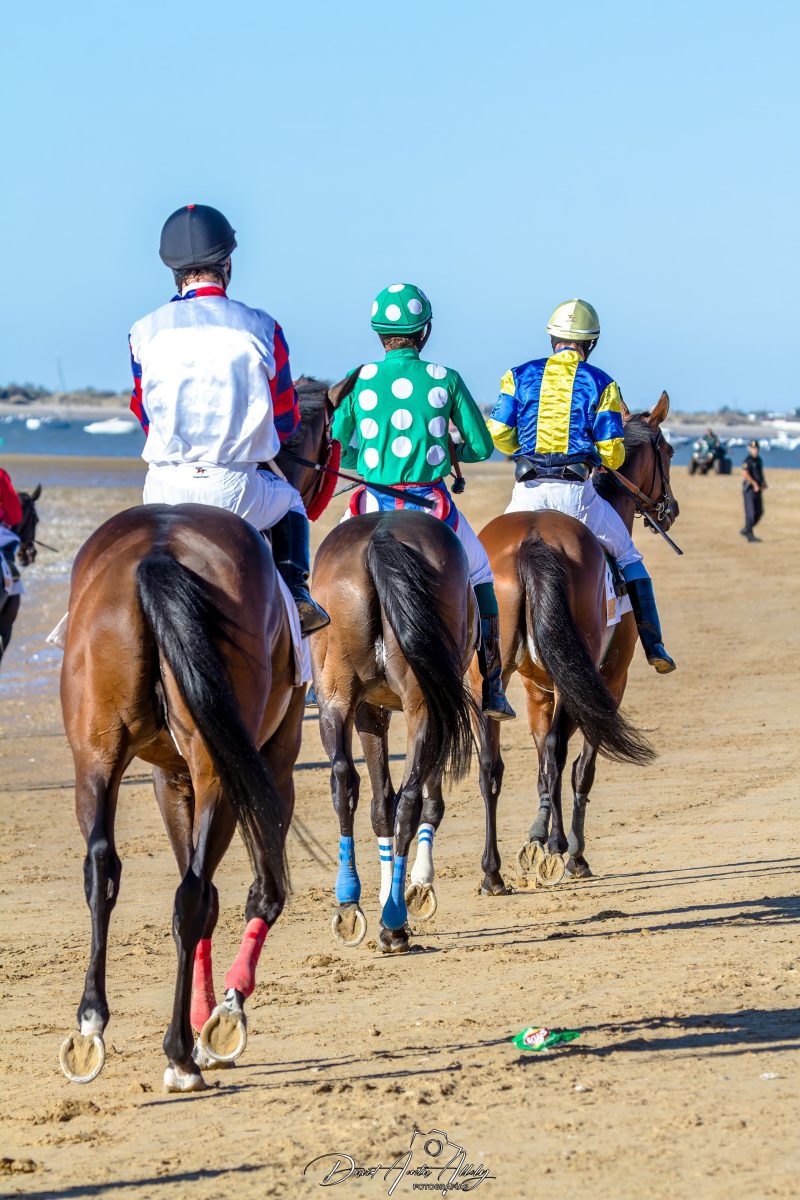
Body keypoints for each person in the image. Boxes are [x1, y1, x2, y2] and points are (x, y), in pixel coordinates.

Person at [129, 203, 329, 636]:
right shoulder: (261, 326)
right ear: (228, 264)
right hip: (234, 489)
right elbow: (285, 418)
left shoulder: (143, 330)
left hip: (162, 487)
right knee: (291, 500)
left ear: (174, 271)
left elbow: (144, 413)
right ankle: (297, 593)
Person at [329, 283, 515, 720]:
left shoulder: (360, 380)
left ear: (378, 334)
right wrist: (450, 453)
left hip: (369, 504)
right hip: (430, 506)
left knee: (325, 568)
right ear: (424, 332)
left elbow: (336, 446)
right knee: (482, 572)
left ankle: (322, 676)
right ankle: (492, 685)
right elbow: (481, 446)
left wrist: (364, 459)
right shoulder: (444, 379)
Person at [487, 298, 676, 674]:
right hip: (576, 497)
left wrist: (524, 444)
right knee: (630, 557)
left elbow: (501, 435)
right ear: (591, 343)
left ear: (553, 338)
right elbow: (611, 451)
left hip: (525, 493)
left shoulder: (516, 376)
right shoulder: (602, 383)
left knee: (483, 564)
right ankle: (655, 645)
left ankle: (488, 666)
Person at [741, 439, 767, 542]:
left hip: (758, 489)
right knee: (750, 512)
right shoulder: (748, 460)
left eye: (756, 448)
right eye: (753, 448)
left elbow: (760, 473)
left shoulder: (759, 460)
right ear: (750, 449)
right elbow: (745, 474)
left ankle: (746, 529)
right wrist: (754, 483)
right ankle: (749, 535)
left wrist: (763, 483)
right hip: (749, 489)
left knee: (759, 512)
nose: (755, 450)